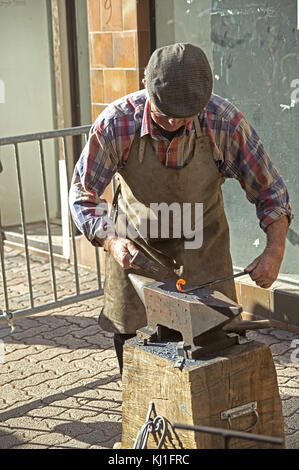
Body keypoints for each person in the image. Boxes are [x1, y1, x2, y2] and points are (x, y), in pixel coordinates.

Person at [69, 43, 292, 375]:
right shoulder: (116, 123)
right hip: (137, 249)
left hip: (203, 249)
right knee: (132, 340)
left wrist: (274, 251)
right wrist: (113, 242)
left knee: (212, 345)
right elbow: (82, 195)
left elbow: (271, 192)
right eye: (164, 111)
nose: (173, 121)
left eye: (184, 114)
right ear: (148, 90)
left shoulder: (224, 122)